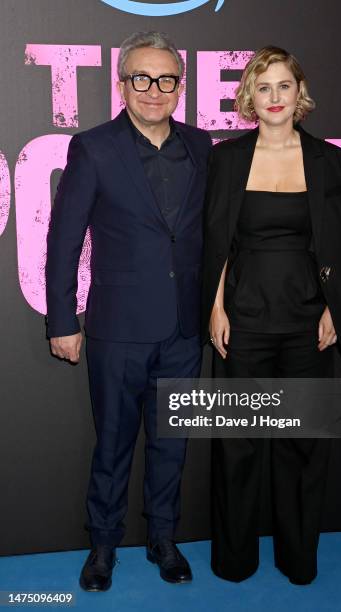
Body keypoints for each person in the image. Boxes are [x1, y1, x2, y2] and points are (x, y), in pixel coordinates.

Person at [201, 46, 341, 585]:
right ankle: (234, 560)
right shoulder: (227, 159)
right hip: (244, 320)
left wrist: (336, 308)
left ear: (299, 92)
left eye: (284, 86)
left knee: (303, 443)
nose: (275, 97)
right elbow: (216, 242)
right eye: (264, 87)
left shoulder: (332, 162)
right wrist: (215, 306)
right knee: (237, 445)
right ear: (249, 98)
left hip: (308, 324)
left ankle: (298, 557)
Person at [45, 31, 211, 591]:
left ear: (179, 86)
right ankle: (103, 546)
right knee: (113, 442)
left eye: (166, 79)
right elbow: (64, 241)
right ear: (123, 83)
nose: (154, 90)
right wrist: (63, 321)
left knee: (172, 445)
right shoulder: (93, 147)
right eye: (141, 78)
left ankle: (165, 539)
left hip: (186, 328)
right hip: (117, 328)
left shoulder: (203, 147)